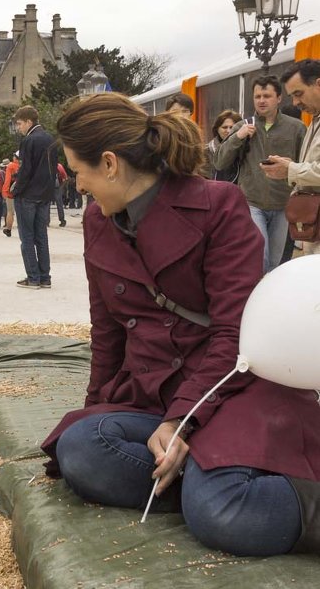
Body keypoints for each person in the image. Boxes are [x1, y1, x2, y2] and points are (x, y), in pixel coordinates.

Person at [40, 92, 320, 557]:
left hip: (231, 388)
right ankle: (208, 475)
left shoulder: (220, 205)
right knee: (81, 448)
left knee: (225, 514)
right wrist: (98, 409)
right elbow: (106, 330)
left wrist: (181, 422)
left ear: (109, 164)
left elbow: (233, 334)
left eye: (79, 171)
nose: (79, 185)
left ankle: (209, 482)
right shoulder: (97, 220)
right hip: (154, 392)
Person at [213, 75, 306, 273]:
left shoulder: (296, 127)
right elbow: (220, 161)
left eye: (267, 95)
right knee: (259, 256)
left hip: (283, 204)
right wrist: (237, 137)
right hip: (252, 203)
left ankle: (268, 299)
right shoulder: (242, 126)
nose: (261, 100)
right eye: (257, 96)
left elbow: (304, 164)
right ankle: (251, 298)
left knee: (275, 261)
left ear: (279, 98)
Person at [262, 59, 320, 256]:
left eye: (299, 93)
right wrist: (291, 168)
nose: (295, 103)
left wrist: (291, 170)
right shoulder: (315, 120)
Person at [12, 105, 58, 289]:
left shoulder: (29, 140)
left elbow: (25, 170)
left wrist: (16, 190)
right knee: (42, 237)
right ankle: (45, 277)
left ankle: (33, 277)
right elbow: (53, 168)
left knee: (27, 238)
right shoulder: (50, 138)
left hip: (28, 195)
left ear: (29, 122)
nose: (18, 128)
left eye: (19, 123)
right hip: (45, 194)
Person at [205, 110, 242, 181]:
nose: (228, 131)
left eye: (232, 127)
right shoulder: (206, 151)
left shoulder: (246, 151)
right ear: (217, 129)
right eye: (224, 127)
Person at [2, 152, 20, 237]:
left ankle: (8, 230)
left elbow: (8, 180)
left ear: (16, 158)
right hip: (24, 192)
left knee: (10, 212)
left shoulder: (11, 166)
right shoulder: (27, 164)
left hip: (12, 192)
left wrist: (5, 191)